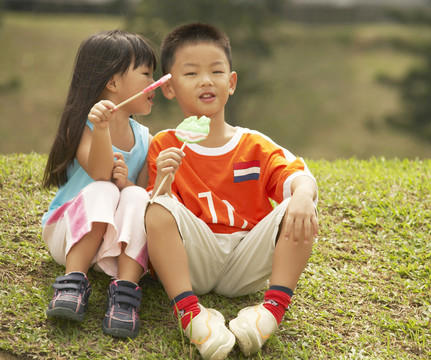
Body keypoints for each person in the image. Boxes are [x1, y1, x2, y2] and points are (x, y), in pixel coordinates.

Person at [145, 23, 319, 359]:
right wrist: (165, 177)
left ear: (232, 82)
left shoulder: (253, 144)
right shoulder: (164, 145)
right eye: (191, 73)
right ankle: (192, 316)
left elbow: (300, 177)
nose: (206, 80)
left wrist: (301, 194)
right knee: (156, 207)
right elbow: (158, 216)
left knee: (301, 202)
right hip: (194, 261)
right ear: (169, 88)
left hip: (247, 262)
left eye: (216, 71)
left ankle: (269, 313)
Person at [41, 30, 156, 338]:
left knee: (136, 196)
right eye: (146, 73)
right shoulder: (82, 124)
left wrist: (129, 184)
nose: (154, 82)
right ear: (113, 82)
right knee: (105, 188)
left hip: (110, 244)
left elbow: (144, 194)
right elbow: (100, 173)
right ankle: (72, 281)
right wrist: (103, 129)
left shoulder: (146, 139)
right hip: (68, 236)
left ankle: (126, 293)